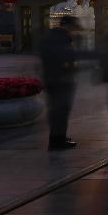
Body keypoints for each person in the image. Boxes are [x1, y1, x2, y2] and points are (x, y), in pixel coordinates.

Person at [39, 15, 80, 150]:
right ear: (69, 27)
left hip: (50, 78)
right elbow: (67, 58)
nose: (75, 31)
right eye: (74, 28)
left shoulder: (48, 36)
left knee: (56, 111)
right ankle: (57, 141)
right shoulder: (63, 39)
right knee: (61, 111)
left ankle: (58, 137)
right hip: (61, 80)